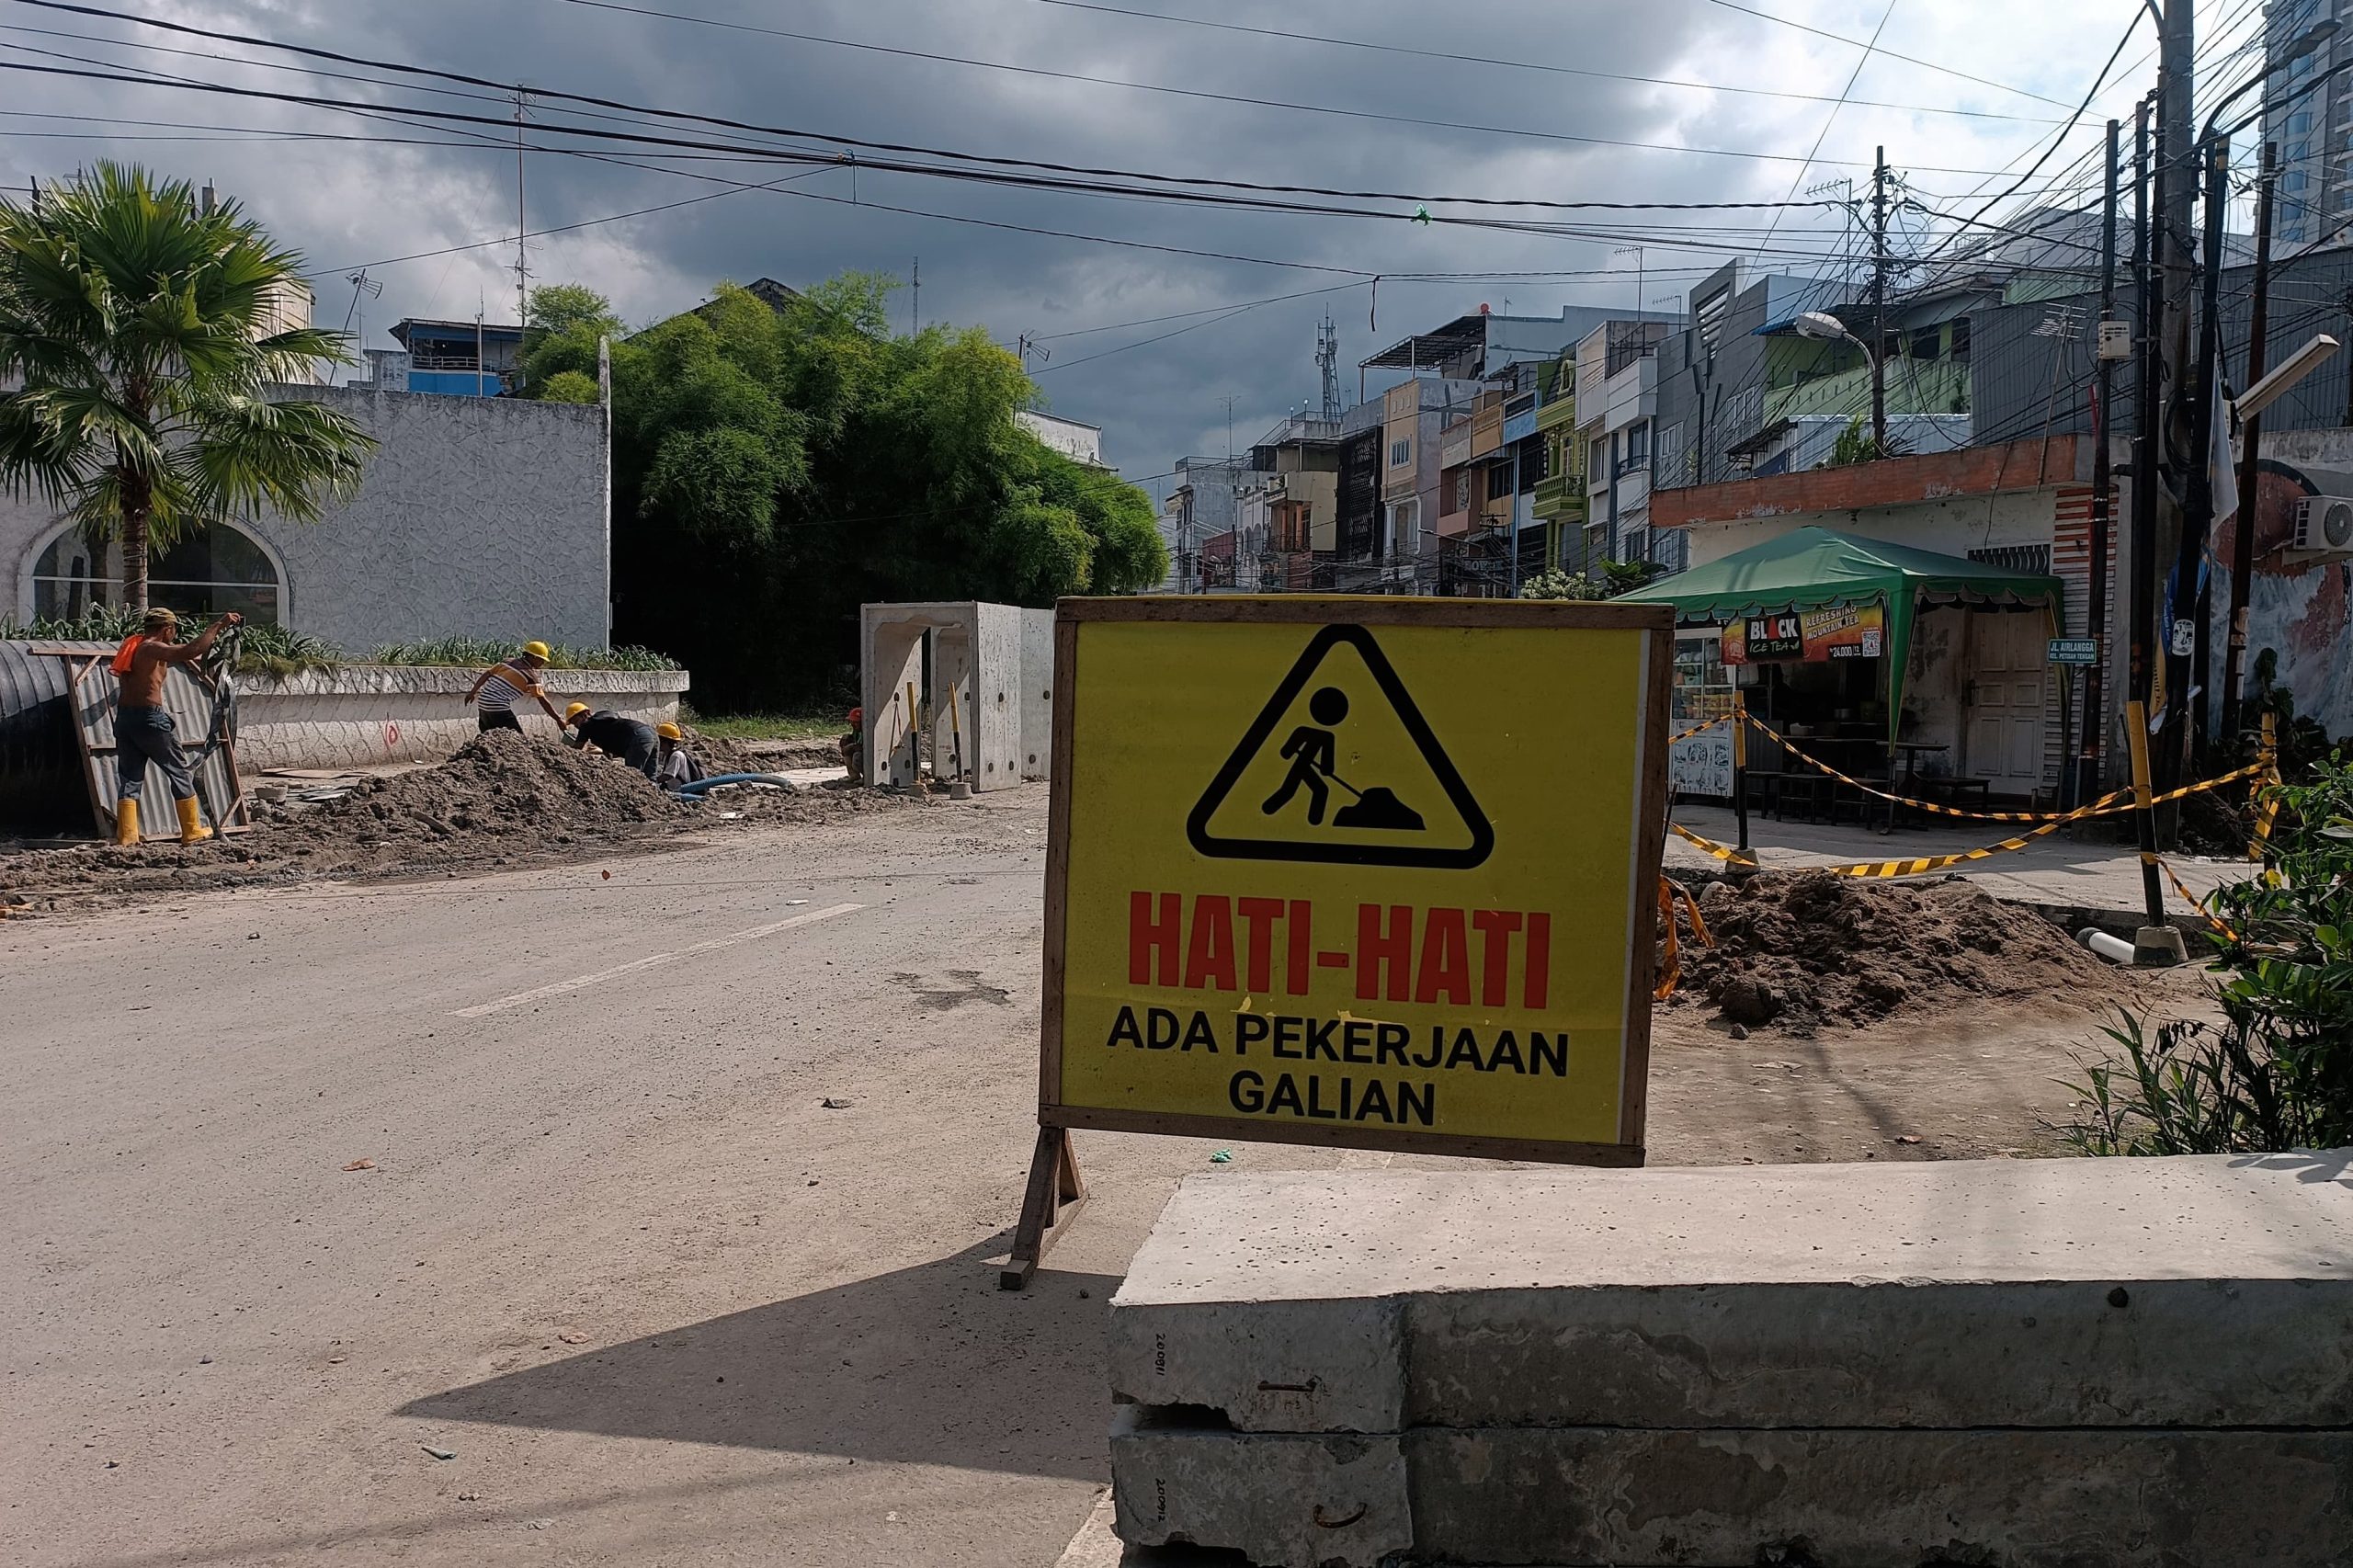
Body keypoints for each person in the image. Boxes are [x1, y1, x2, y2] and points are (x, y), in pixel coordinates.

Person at [108, 607, 239, 846]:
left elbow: (190, 655)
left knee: (130, 777)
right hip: (150, 719)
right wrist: (219, 625)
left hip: (126, 720)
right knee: (179, 771)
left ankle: (127, 836)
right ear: (167, 629)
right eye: (174, 631)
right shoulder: (151, 646)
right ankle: (191, 831)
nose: (175, 635)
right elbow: (190, 650)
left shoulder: (133, 646)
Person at [1262, 686, 1347, 826]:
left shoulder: (1320, 735)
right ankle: (1268, 810)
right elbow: (1326, 769)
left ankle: (1314, 822)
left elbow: (1286, 753)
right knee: (1295, 791)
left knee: (1307, 790)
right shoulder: (1320, 735)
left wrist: (1292, 750)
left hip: (1301, 767)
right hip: (1300, 766)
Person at [463, 641, 564, 733]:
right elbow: (543, 701)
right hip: (497, 706)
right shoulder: (530, 675)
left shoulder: (507, 662)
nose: (543, 663)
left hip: (483, 703)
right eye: (542, 660)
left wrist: (472, 692)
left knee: (489, 737)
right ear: (534, 657)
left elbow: (487, 674)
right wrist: (558, 719)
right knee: (517, 740)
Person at [562, 703, 660, 779]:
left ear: (585, 714)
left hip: (638, 737)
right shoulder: (601, 723)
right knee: (650, 777)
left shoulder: (586, 725)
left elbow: (577, 749)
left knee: (633, 775)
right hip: (651, 733)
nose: (576, 726)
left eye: (575, 721)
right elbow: (608, 752)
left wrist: (563, 756)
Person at [654, 721, 704, 792]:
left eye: (659, 740)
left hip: (684, 789)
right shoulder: (670, 754)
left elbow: (668, 776)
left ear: (665, 741)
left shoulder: (676, 755)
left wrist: (652, 781)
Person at [839, 706, 865, 783]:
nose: (853, 725)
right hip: (858, 750)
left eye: (856, 722)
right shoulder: (857, 731)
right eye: (852, 722)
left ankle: (867, 776)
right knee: (846, 743)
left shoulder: (867, 731)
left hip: (865, 756)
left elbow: (860, 747)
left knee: (857, 756)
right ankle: (854, 775)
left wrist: (852, 746)